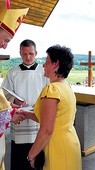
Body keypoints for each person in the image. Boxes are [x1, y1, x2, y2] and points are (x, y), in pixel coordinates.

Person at [19, 45, 82, 170]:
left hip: (57, 145)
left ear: (55, 64)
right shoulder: (65, 87)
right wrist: (26, 114)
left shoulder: (52, 89)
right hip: (70, 142)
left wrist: (31, 155)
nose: (43, 65)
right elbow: (53, 119)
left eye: (46, 61)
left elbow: (47, 129)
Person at [1, 39, 48, 170]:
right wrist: (15, 101)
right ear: (20, 53)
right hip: (19, 117)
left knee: (37, 157)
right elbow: (4, 95)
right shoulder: (12, 72)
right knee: (19, 159)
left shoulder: (43, 72)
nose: (27, 57)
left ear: (36, 53)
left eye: (31, 54)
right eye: (24, 54)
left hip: (36, 119)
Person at [0, 5, 29, 170]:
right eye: (6, 40)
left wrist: (10, 107)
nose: (4, 46)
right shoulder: (13, 71)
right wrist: (10, 113)